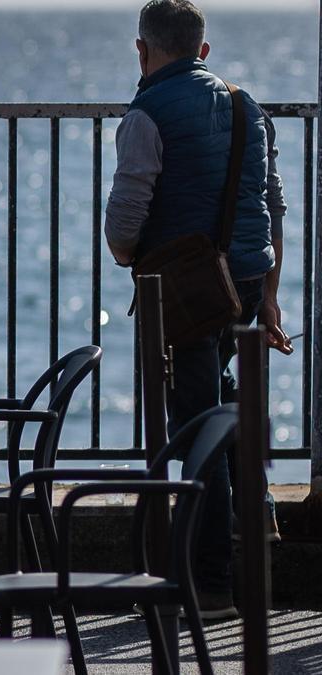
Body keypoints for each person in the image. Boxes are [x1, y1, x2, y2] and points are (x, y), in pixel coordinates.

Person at [104, 0, 290, 620]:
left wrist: (125, 250)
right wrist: (267, 293)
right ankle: (255, 507)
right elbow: (272, 205)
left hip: (186, 289)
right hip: (245, 276)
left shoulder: (146, 113)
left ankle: (209, 584)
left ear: (142, 49)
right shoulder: (247, 107)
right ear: (203, 51)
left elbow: (128, 216)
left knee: (197, 423)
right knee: (224, 395)